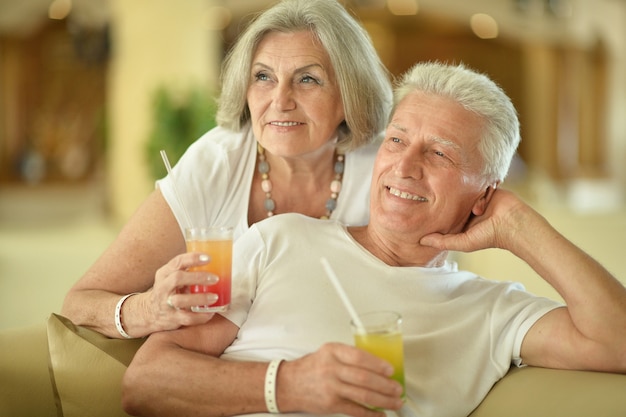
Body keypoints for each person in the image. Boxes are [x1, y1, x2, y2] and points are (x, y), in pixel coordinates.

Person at [121, 61, 626, 417]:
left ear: (485, 194)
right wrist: (289, 385)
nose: (404, 168)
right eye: (397, 140)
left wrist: (518, 225)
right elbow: (145, 384)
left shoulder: (491, 310)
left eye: (440, 154)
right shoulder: (280, 240)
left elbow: (617, 341)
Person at [60, 0, 392, 339]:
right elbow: (78, 303)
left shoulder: (387, 166)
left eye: (307, 79)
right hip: (228, 369)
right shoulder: (215, 164)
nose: (280, 100)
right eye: (263, 76)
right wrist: (149, 309)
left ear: (351, 94)